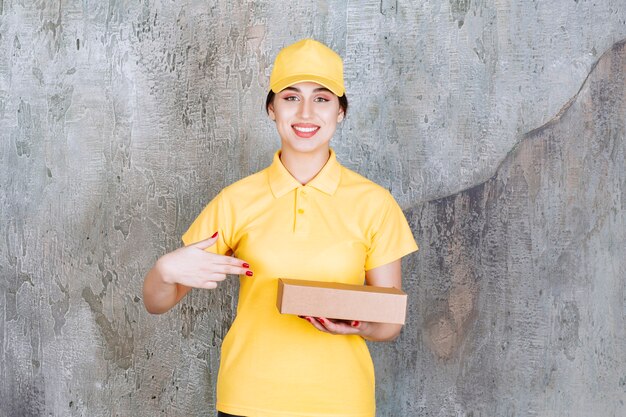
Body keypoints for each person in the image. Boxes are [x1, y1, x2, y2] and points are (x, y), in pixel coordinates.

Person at [143, 38, 418, 417]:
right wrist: (164, 269)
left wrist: (356, 326)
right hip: (248, 399)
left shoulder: (375, 204)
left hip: (342, 402)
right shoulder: (237, 200)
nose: (306, 112)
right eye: (291, 97)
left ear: (340, 111)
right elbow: (158, 301)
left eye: (322, 98)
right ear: (272, 108)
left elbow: (389, 323)